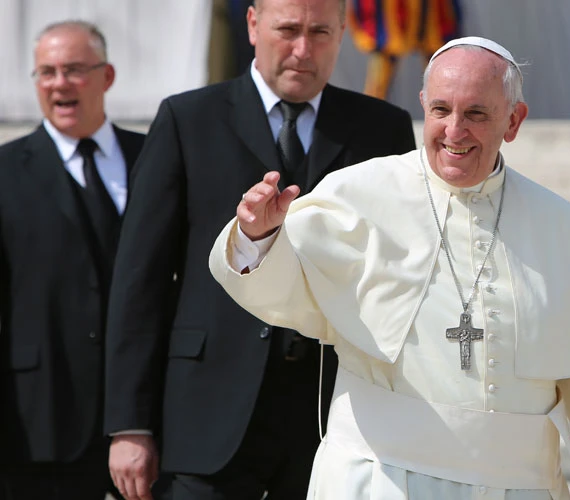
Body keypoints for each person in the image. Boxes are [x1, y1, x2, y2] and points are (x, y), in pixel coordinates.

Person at [210, 36, 570, 500]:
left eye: (476, 114)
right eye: (441, 110)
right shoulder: (359, 193)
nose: (454, 131)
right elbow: (282, 290)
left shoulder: (565, 229)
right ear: (423, 104)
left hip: (518, 489)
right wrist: (258, 237)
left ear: (514, 121)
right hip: (376, 482)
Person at [104, 0, 416, 497]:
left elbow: (402, 276)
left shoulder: (382, 129)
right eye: (287, 29)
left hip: (333, 420)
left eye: (319, 32)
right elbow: (139, 280)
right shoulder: (188, 120)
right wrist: (130, 425)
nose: (302, 49)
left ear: (342, 34)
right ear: (252, 25)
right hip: (206, 418)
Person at [0, 20, 144, 500]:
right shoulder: (4, 171)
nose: (59, 83)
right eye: (46, 72)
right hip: (36, 425)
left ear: (107, 76)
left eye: (75, 70)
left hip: (148, 422)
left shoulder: (156, 158)